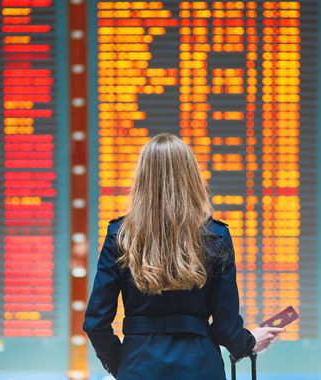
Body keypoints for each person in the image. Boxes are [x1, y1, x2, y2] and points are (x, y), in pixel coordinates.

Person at [83, 133, 284, 379]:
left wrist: (122, 365)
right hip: (200, 366)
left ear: (142, 179)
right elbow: (225, 326)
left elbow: (96, 324)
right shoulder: (216, 236)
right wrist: (249, 342)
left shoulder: (120, 236)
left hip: (138, 365)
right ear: (191, 177)